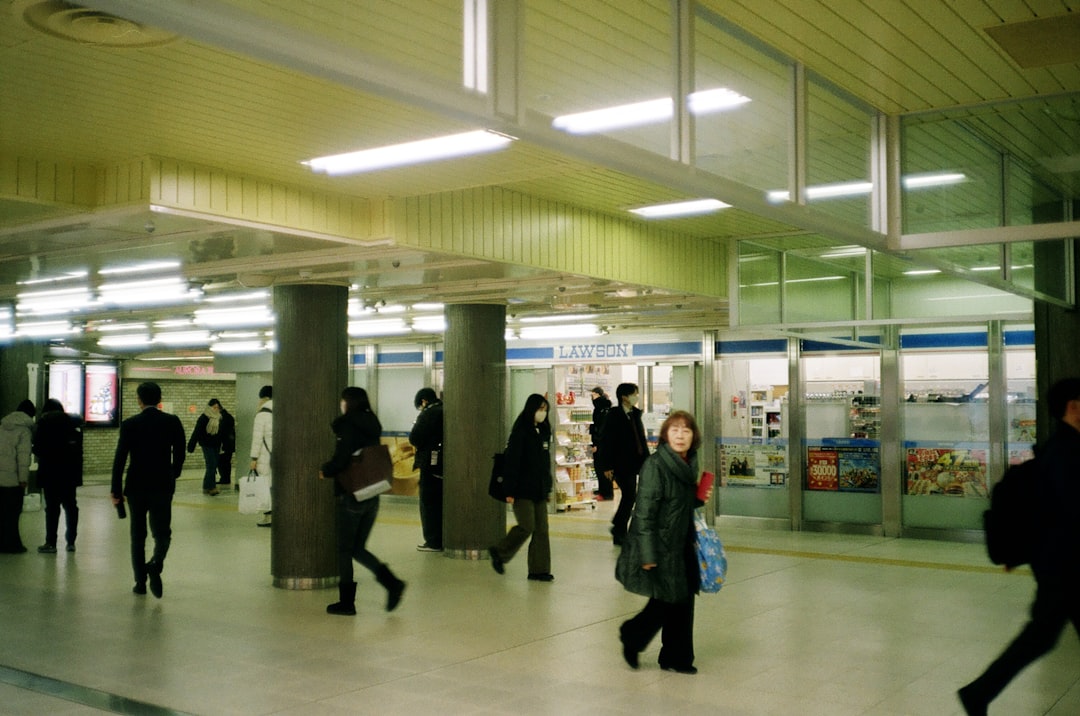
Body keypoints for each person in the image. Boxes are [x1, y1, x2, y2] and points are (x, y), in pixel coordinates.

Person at [958, 377, 1080, 715]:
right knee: (1039, 636)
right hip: (1066, 567)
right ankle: (978, 692)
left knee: (1039, 636)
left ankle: (979, 692)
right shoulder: (1067, 454)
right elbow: (1069, 513)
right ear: (1073, 407)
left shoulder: (1061, 449)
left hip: (1059, 565)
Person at [615, 409, 707, 674]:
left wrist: (698, 497)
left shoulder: (688, 463)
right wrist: (647, 554)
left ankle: (673, 657)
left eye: (686, 431)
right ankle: (634, 636)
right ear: (665, 435)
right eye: (675, 430)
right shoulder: (656, 466)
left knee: (680, 599)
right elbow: (643, 514)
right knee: (667, 601)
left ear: (693, 436)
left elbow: (679, 504)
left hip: (683, 542)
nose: (680, 436)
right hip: (661, 545)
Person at [319, 387, 405, 616]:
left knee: (345, 550)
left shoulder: (347, 426)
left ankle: (346, 602)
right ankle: (392, 583)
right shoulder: (372, 424)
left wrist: (325, 470)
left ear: (348, 403)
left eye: (343, 401)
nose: (341, 405)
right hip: (372, 493)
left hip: (352, 494)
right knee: (358, 548)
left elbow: (341, 459)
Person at [111, 382, 186, 598]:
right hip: (162, 484)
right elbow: (180, 452)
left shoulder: (130, 424)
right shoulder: (172, 421)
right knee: (162, 532)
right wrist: (173, 473)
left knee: (138, 535)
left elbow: (120, 458)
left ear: (139, 400)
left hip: (136, 485)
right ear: (159, 399)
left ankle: (140, 582)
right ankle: (155, 563)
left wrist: (116, 489)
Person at [488, 393, 555, 582]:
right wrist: (509, 491)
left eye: (545, 409)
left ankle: (539, 570)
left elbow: (544, 464)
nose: (543, 413)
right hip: (521, 489)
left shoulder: (543, 431)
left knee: (542, 530)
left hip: (539, 489)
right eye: (540, 409)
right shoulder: (520, 432)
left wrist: (547, 487)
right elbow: (512, 463)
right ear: (531, 409)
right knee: (527, 525)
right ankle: (500, 552)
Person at [597, 383, 649, 546]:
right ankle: (619, 529)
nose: (636, 397)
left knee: (630, 496)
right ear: (624, 397)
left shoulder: (635, 414)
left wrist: (648, 460)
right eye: (634, 394)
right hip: (620, 464)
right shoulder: (613, 415)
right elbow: (605, 441)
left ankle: (619, 528)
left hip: (636, 462)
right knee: (629, 495)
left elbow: (641, 439)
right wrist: (606, 466)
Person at [33, 399, 83, 554]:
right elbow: (78, 450)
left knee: (52, 508)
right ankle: (71, 542)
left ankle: (51, 543)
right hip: (69, 473)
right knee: (70, 506)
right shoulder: (73, 424)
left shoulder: (43, 424)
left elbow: (37, 448)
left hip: (50, 472)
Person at [409, 387, 444, 552]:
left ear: (423, 401)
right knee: (440, 503)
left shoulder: (428, 413)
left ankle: (433, 541)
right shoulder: (445, 410)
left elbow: (414, 437)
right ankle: (443, 538)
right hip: (444, 464)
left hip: (430, 464)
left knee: (429, 503)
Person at [0, 400, 35, 554]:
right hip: (13, 480)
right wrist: (23, 479)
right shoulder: (24, 431)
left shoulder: (2, 426)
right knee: (13, 514)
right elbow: (23, 458)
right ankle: (13, 545)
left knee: (1, 513)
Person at [187, 398, 223, 496]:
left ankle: (206, 486)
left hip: (216, 445)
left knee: (213, 465)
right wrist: (191, 445)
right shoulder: (203, 418)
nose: (216, 409)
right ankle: (211, 487)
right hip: (206, 444)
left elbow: (221, 433)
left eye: (217, 407)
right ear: (209, 407)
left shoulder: (219, 418)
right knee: (211, 465)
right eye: (214, 407)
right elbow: (197, 431)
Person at [249, 385, 273, 525]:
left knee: (265, 486)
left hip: (265, 456)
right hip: (280, 456)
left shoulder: (262, 414)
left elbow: (257, 438)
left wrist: (254, 458)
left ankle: (268, 516)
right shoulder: (283, 410)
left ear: (265, 398)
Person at [589, 386, 613, 500]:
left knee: (602, 467)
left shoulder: (602, 409)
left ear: (598, 395)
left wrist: (596, 444)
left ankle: (606, 493)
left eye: (593, 395)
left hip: (602, 444)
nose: (592, 397)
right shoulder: (602, 408)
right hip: (602, 443)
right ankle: (603, 490)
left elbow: (600, 429)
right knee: (600, 467)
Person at [215, 400, 236, 487]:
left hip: (224, 444)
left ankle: (224, 479)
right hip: (229, 444)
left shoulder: (223, 418)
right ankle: (225, 478)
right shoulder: (228, 416)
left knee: (222, 462)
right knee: (226, 462)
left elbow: (221, 431)